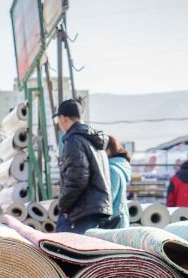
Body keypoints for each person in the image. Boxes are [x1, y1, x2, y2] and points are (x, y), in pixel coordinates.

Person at [53, 99, 112, 234]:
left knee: (62, 244)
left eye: (58, 119)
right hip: (96, 207)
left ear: (63, 118)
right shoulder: (93, 140)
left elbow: (78, 177)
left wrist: (63, 205)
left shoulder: (74, 140)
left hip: (82, 209)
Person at [106, 136, 132, 228]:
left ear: (108, 151)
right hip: (120, 220)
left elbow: (108, 199)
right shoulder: (119, 167)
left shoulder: (111, 169)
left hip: (113, 222)